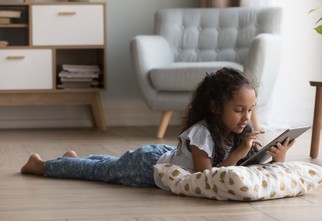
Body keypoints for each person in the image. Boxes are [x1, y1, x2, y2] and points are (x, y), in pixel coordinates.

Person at [20, 68, 295, 190]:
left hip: (162, 155)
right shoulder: (201, 133)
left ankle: (72, 160)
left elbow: (238, 171)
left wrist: (273, 158)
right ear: (215, 106)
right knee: (101, 172)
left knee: (112, 164)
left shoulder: (236, 133)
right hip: (147, 165)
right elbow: (207, 175)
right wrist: (242, 152)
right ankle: (41, 166)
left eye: (250, 109)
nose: (246, 117)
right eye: (238, 110)